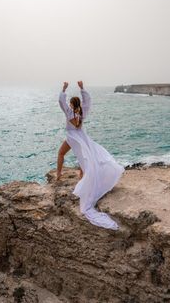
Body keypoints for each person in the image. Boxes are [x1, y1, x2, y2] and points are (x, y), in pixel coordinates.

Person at [57, 80, 124, 230]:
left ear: (71, 104)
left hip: (72, 137)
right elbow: (88, 101)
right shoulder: (82, 112)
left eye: (70, 103)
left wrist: (64, 89)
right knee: (85, 158)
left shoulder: (69, 112)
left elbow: (60, 101)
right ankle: (83, 178)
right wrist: (82, 88)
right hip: (83, 137)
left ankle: (59, 175)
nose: (68, 104)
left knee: (61, 154)